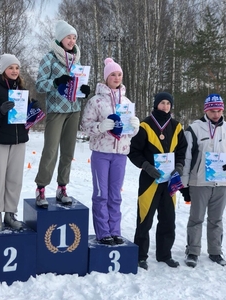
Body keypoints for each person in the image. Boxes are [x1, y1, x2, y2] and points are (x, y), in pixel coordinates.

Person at [181, 94, 226, 268]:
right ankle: (193, 251)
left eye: (218, 110)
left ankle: (215, 252)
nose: (216, 114)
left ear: (222, 109)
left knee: (216, 220)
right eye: (212, 110)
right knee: (196, 219)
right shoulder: (194, 129)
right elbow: (187, 158)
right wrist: (184, 184)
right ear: (205, 110)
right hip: (199, 182)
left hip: (222, 183)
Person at [81, 58, 140, 245]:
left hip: (120, 153)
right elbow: (85, 126)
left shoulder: (127, 102)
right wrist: (101, 126)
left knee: (115, 195)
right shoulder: (96, 101)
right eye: (113, 74)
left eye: (119, 74)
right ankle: (103, 232)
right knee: (101, 194)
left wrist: (135, 127)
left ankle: (115, 231)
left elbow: (129, 133)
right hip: (101, 152)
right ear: (106, 77)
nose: (116, 77)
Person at [128, 92, 187, 270]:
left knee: (168, 219)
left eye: (168, 103)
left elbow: (182, 150)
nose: (166, 106)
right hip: (150, 180)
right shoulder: (145, 125)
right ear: (156, 104)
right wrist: (147, 166)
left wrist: (179, 166)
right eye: (162, 103)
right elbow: (133, 151)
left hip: (169, 181)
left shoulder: (177, 127)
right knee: (145, 219)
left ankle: (164, 254)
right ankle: (140, 256)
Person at [34, 20, 91, 208]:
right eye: (69, 37)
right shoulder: (49, 58)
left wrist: (83, 90)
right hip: (56, 111)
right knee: (51, 150)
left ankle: (62, 187)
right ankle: (41, 188)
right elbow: (40, 84)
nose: (72, 40)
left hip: (73, 110)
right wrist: (56, 81)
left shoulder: (77, 59)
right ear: (60, 39)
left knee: (68, 152)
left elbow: (77, 85)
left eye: (74, 37)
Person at [0, 53, 38, 231]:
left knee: (15, 180)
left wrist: (33, 111)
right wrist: (0, 110)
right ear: (4, 69)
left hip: (19, 140)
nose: (14, 71)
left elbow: (26, 119)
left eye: (17, 68)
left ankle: (10, 213)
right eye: (10, 67)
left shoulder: (21, 91)